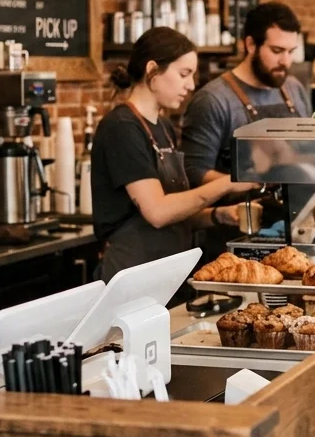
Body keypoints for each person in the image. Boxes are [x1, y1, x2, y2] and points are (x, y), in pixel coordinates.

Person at [90, 28, 258, 284]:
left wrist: (218, 215)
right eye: (183, 74)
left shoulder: (164, 127)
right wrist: (230, 181)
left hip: (168, 272)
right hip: (130, 277)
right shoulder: (122, 127)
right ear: (152, 71)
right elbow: (158, 212)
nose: (191, 85)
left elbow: (176, 211)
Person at [180, 2, 312, 186]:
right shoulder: (214, 100)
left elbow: (307, 151)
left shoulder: (294, 89)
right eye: (277, 51)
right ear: (250, 44)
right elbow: (194, 173)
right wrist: (258, 186)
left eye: (291, 52)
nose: (286, 61)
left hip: (297, 206)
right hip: (242, 210)